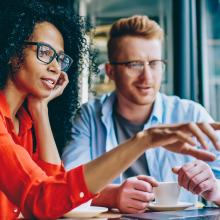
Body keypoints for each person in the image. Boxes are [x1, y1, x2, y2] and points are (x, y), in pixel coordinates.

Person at [62, 15, 220, 214]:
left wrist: (214, 189)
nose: (147, 76)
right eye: (134, 64)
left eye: (154, 63)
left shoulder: (190, 114)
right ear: (110, 71)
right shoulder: (89, 116)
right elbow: (65, 188)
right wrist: (113, 196)